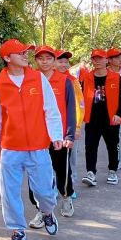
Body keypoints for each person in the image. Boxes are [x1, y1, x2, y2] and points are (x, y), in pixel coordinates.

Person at [0, 39, 64, 240]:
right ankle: (17, 232)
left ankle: (47, 212)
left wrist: (55, 135)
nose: (25, 55)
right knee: (9, 193)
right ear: (6, 58)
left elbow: (51, 110)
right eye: (20, 52)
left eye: (25, 52)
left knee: (44, 192)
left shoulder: (38, 79)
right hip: (10, 148)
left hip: (38, 146)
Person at [27, 46, 76, 225]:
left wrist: (69, 135)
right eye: (41, 58)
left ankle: (66, 197)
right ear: (36, 60)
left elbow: (71, 109)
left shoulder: (64, 81)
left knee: (62, 171)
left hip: (59, 136)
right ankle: (41, 211)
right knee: (36, 175)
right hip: (36, 137)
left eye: (48, 58)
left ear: (54, 60)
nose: (45, 61)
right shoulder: (29, 80)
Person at [80, 49, 121, 187]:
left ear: (106, 60)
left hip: (111, 118)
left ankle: (112, 171)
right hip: (92, 118)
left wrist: (119, 114)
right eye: (94, 58)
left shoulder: (116, 77)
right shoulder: (86, 78)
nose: (97, 61)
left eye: (100, 58)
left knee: (112, 146)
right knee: (90, 146)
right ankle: (91, 173)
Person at [55, 49, 84, 196]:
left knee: (70, 159)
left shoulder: (72, 81)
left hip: (68, 128)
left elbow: (79, 105)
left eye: (66, 62)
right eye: (60, 61)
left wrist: (77, 128)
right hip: (51, 129)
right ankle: (53, 187)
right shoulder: (43, 79)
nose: (64, 65)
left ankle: (70, 186)